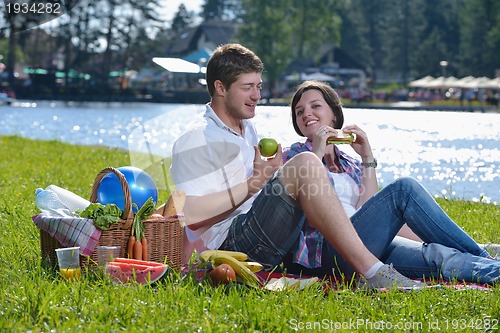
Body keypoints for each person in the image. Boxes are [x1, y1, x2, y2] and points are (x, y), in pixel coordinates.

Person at [170, 43, 426, 290]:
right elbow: (189, 213)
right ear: (220, 88)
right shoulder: (198, 138)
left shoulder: (245, 128)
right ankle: (372, 272)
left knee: (404, 220)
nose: (257, 96)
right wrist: (254, 184)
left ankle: (442, 257)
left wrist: (268, 180)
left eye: (258, 86)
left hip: (266, 233)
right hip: (230, 245)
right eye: (247, 87)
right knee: (305, 162)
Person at [280, 79, 499, 284]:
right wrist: (317, 151)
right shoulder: (294, 157)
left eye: (315, 106)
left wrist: (367, 157)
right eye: (299, 112)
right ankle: (483, 254)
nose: (306, 113)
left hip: (367, 244)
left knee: (437, 255)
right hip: (329, 251)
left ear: (334, 115)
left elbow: (366, 208)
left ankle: (493, 269)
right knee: (404, 190)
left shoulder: (349, 163)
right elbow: (308, 205)